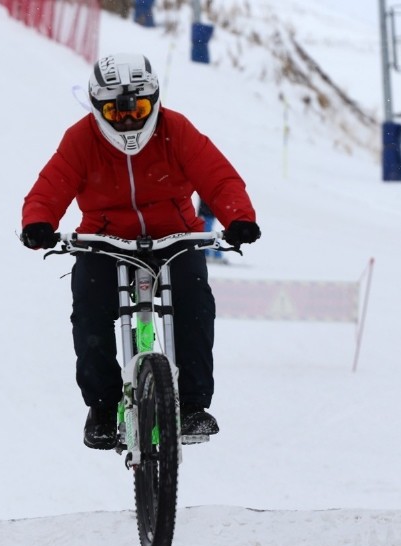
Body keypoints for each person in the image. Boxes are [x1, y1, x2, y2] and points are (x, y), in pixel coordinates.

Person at [20, 53, 261, 450]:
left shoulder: (176, 130)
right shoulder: (82, 138)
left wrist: (238, 218)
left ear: (155, 102)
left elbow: (218, 177)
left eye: (140, 108)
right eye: (115, 110)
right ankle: (101, 406)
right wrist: (38, 223)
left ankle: (193, 407)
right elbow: (52, 184)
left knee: (195, 303)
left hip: (175, 237)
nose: (128, 120)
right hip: (104, 239)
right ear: (98, 108)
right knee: (89, 309)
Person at [196, 199, 227, 263]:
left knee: (207, 235)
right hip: (205, 214)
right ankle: (213, 255)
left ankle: (216, 255)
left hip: (208, 214)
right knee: (206, 235)